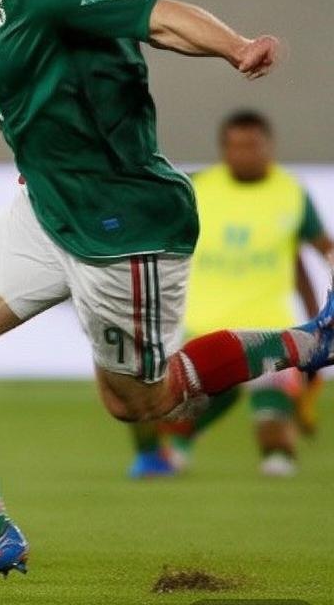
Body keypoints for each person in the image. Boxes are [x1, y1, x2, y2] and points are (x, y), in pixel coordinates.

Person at [0, 0, 334, 595]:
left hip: (123, 229)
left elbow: (160, 19)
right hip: (46, 210)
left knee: (141, 402)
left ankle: (314, 340)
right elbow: (23, 82)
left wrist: (234, 47)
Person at [128, 110, 331, 479]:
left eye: (253, 145)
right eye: (237, 146)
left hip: (270, 330)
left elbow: (311, 256)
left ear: (269, 147)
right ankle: (176, 442)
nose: (245, 154)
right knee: (156, 402)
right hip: (201, 328)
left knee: (276, 449)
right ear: (224, 149)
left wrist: (317, 325)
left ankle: (275, 449)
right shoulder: (196, 188)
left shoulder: (291, 193)